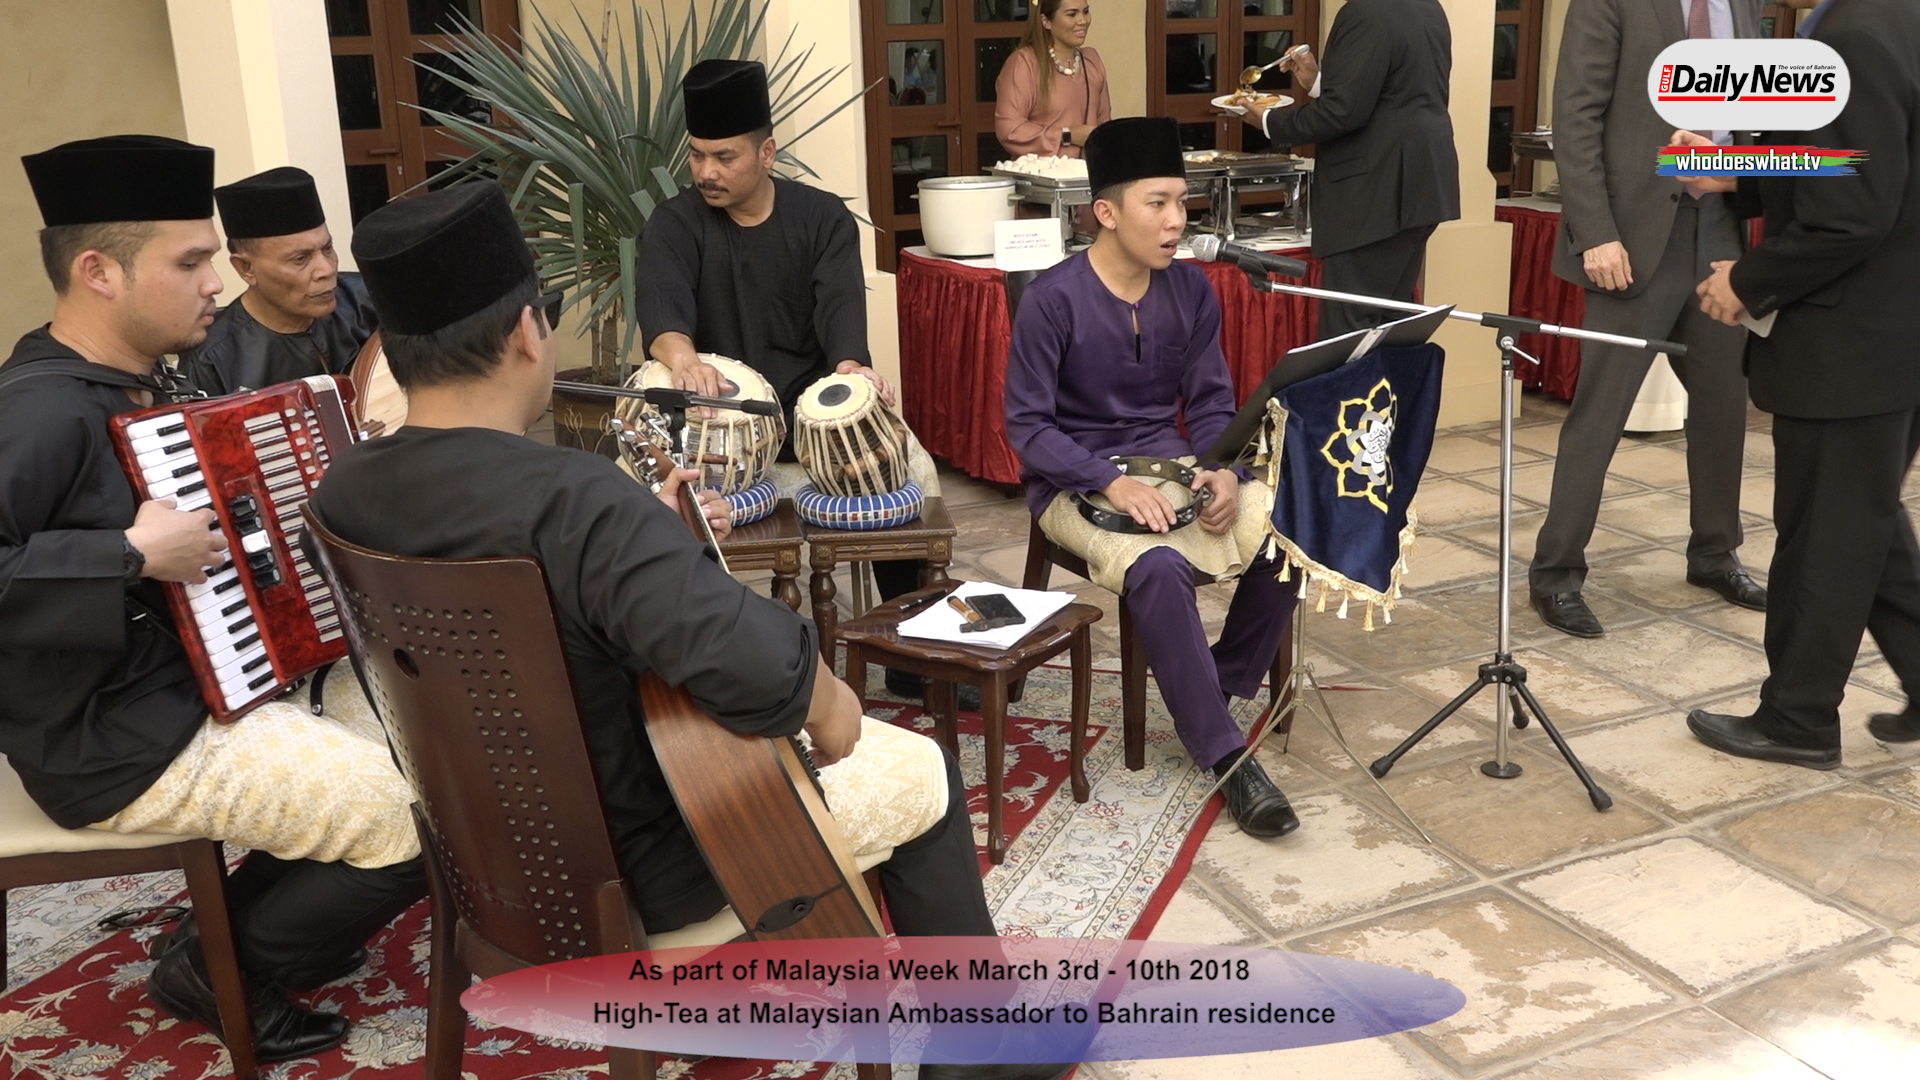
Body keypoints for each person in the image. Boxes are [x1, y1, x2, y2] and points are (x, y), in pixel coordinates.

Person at [310, 182, 1071, 1080]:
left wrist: (654, 547)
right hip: (661, 870)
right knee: (923, 770)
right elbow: (780, 687)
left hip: (495, 864)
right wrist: (828, 697)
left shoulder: (344, 490)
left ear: (397, 351)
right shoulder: (576, 501)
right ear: (526, 333)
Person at [0, 135, 423, 1061]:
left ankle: (237, 929)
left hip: (199, 683)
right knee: (406, 812)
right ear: (98, 272)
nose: (214, 284)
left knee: (431, 743)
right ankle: (216, 965)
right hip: (111, 736)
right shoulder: (35, 411)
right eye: (191, 262)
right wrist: (126, 554)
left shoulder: (158, 376)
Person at [1004, 117, 1300, 840]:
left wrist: (1222, 469)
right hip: (1073, 482)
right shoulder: (1052, 299)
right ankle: (1227, 757)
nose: (1176, 221)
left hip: (1173, 463)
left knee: (1294, 527)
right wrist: (1108, 482)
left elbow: (1211, 402)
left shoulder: (1191, 290)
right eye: (1157, 203)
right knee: (1158, 567)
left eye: (1181, 202)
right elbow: (1028, 428)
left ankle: (1216, 684)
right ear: (1105, 213)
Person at [636, 58, 948, 703]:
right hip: (721, 425)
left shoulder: (822, 217)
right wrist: (683, 359)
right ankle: (682, 664)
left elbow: (841, 312)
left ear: (767, 152)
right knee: (636, 486)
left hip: (808, 422)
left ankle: (912, 652)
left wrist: (852, 369)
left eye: (724, 156)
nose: (705, 172)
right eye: (696, 156)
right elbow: (662, 309)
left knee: (899, 462)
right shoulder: (673, 222)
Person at [1682, 0, 1920, 766]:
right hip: (1893, 335)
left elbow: (1850, 215)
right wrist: (1733, 175)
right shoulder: (1891, 19)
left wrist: (1748, 283)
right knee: (1864, 523)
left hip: (1852, 341)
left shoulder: (1851, 35)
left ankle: (1797, 720)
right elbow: (1861, 162)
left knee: (1824, 540)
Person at [1525, 0, 1764, 640]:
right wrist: (1595, 233)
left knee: (1724, 405)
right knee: (1600, 412)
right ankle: (1556, 573)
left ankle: (1715, 554)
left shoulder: (1743, 6)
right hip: (1629, 238)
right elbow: (1576, 117)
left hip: (1720, 230)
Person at [1238, 0, 1458, 339]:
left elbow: (1343, 112)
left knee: (1350, 331)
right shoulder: (1429, 7)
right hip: (1420, 183)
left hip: (1374, 193)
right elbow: (1387, 95)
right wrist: (1317, 83)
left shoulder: (1363, 11)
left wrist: (1269, 121)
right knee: (1392, 323)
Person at [176, 166, 378, 396]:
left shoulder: (369, 301)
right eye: (300, 259)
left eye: (327, 248)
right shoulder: (212, 361)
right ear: (246, 268)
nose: (327, 269)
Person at [993, 0, 1110, 160]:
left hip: (1087, 173)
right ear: (1046, 21)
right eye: (1072, 14)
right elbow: (1010, 130)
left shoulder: (1092, 61)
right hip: (1040, 173)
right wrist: (1067, 135)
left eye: (1085, 12)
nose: (1083, 20)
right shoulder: (1024, 63)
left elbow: (1104, 127)